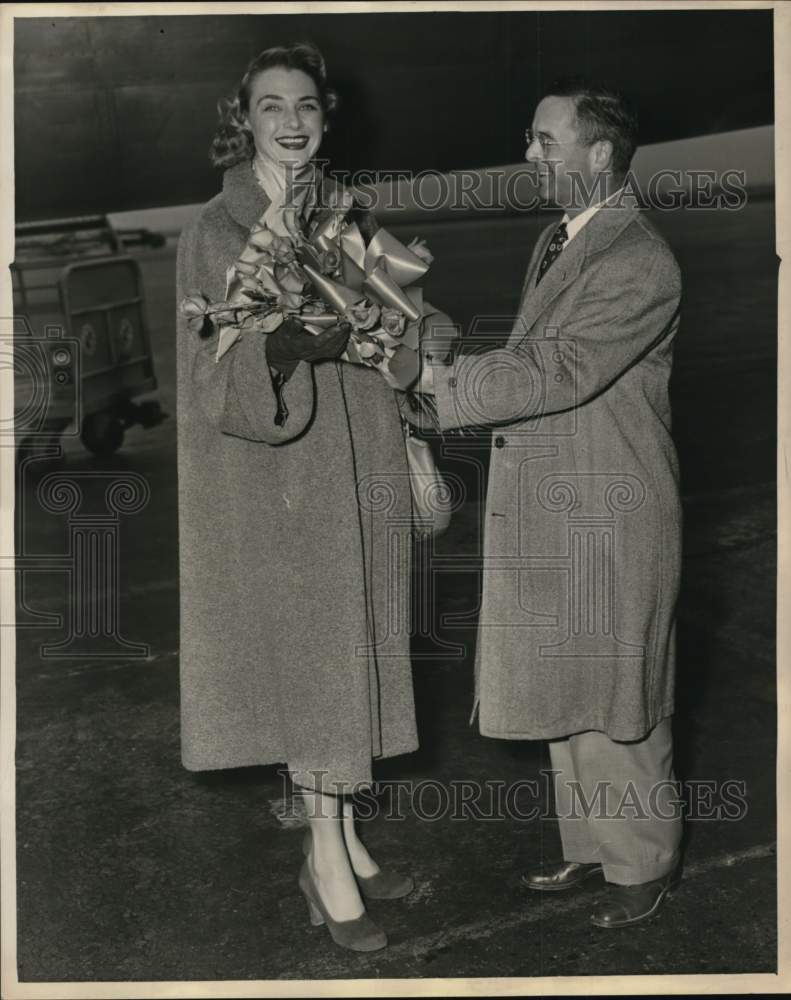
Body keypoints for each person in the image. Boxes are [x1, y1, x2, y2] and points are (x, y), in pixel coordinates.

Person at [416, 80, 683, 928]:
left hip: (610, 503)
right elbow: (535, 360)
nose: (529, 153)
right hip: (562, 501)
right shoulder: (563, 237)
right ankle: (592, 846)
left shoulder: (638, 257)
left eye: (544, 140)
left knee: (616, 693)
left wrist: (430, 385)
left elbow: (555, 371)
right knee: (571, 686)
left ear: (599, 153)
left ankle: (643, 864)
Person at [176, 42, 418, 953]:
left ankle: (345, 831)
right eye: (271, 106)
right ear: (243, 119)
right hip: (280, 479)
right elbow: (210, 377)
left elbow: (393, 320)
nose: (291, 122)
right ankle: (322, 857)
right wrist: (286, 350)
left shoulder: (343, 215)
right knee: (317, 662)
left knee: (349, 647)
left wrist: (393, 330)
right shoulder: (215, 228)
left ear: (325, 116)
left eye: (307, 106)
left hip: (357, 461)